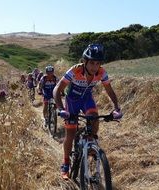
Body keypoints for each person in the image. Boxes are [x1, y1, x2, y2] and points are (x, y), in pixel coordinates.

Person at [53, 43, 123, 179]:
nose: (94, 67)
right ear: (84, 61)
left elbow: (109, 90)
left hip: (86, 99)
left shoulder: (102, 72)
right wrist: (61, 109)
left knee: (94, 118)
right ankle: (66, 163)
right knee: (71, 132)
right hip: (72, 100)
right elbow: (57, 89)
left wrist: (116, 107)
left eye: (98, 63)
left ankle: (90, 143)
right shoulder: (75, 70)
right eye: (91, 63)